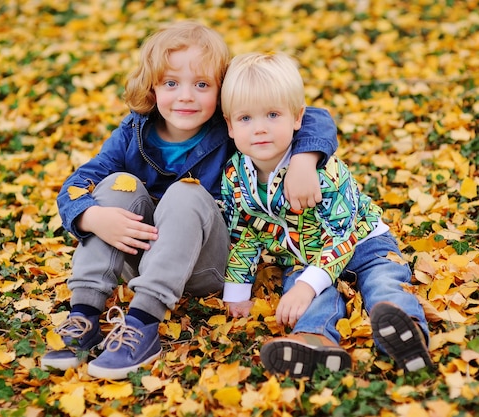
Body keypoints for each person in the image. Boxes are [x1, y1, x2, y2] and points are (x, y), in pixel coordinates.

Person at [40, 21, 339, 380]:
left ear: (221, 91)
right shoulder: (133, 131)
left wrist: (305, 161)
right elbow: (76, 185)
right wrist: (91, 218)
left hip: (204, 265)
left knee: (186, 190)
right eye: (171, 83)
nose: (186, 96)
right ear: (152, 87)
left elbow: (314, 117)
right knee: (117, 184)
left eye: (201, 85)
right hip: (141, 252)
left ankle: (143, 322)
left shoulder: (227, 127)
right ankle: (84, 314)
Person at [220, 52, 433, 378]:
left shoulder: (321, 172)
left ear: (297, 118)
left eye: (273, 115)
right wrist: (237, 290)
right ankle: (315, 340)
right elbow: (244, 233)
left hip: (362, 244)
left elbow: (343, 235)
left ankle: (404, 330)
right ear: (230, 126)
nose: (260, 129)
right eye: (246, 118)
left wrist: (307, 284)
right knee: (303, 296)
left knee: (383, 280)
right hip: (303, 257)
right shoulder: (236, 177)